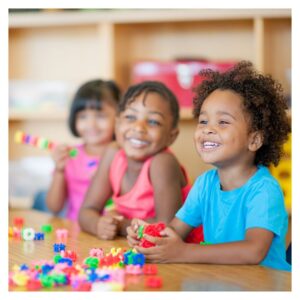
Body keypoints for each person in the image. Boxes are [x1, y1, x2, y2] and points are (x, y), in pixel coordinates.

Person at [127, 61, 291, 271]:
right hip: (222, 281)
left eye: (223, 122)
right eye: (203, 121)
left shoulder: (264, 191)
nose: (208, 129)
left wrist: (183, 252)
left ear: (254, 140)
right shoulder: (205, 184)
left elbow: (253, 251)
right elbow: (175, 231)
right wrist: (150, 237)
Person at [79, 81, 203, 242]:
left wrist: (119, 225)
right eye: (130, 117)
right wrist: (98, 224)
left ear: (171, 136)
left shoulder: (162, 162)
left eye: (153, 122)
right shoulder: (112, 154)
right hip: (139, 248)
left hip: (185, 254)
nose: (138, 128)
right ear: (117, 125)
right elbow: (86, 211)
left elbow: (166, 227)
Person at [46, 79, 121, 221]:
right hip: (76, 234)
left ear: (119, 118)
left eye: (100, 116)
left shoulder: (122, 156)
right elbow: (54, 207)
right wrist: (59, 170)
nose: (91, 124)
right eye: (83, 116)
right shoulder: (70, 156)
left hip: (111, 233)